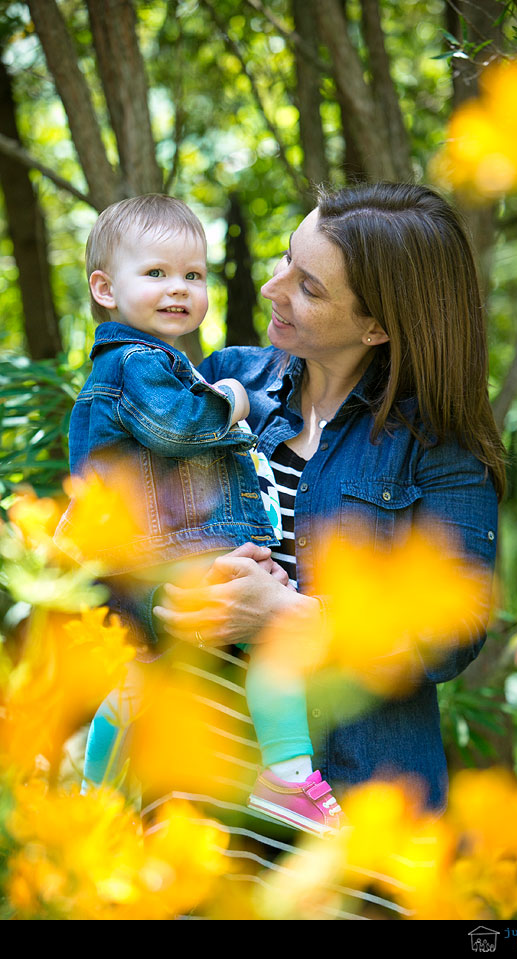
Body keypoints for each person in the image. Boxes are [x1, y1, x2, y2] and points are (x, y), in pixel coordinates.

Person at [154, 182, 506, 812]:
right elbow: (135, 521)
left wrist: (288, 617)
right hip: (203, 787)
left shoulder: (441, 444)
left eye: (308, 286)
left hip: (360, 802)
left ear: (376, 326)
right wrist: (170, 597)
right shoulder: (225, 383)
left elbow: (454, 626)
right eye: (288, 258)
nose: (273, 287)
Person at [57, 194, 346, 836]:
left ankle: (91, 797)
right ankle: (291, 776)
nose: (179, 290)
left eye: (193, 275)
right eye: (156, 274)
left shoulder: (147, 361)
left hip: (143, 551)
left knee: (136, 680)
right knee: (275, 637)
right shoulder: (139, 363)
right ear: (104, 288)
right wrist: (234, 403)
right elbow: (178, 427)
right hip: (176, 545)